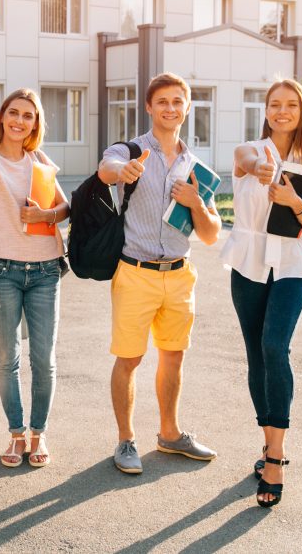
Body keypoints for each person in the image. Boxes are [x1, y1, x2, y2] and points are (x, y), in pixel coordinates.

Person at [96, 72, 222, 475]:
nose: (170, 108)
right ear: (149, 107)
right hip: (136, 272)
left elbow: (211, 233)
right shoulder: (131, 150)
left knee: (173, 357)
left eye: (177, 102)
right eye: (162, 101)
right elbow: (106, 166)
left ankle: (169, 434)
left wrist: (196, 203)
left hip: (180, 274)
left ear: (187, 108)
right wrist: (124, 171)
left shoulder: (196, 166)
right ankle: (125, 440)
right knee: (129, 359)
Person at [219, 78, 302, 508]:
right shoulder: (249, 149)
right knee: (256, 355)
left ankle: (277, 457)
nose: (282, 112)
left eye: (291, 106)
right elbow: (244, 161)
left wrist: (293, 201)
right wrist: (261, 168)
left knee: (275, 347)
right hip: (248, 262)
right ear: (266, 110)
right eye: (275, 105)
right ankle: (267, 443)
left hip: (291, 264)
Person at [0, 88, 70, 470]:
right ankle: (16, 433)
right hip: (2, 271)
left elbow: (66, 207)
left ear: (35, 123)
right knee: (6, 358)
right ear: (2, 117)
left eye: (27, 115)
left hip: (45, 270)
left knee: (43, 360)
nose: (19, 120)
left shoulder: (40, 160)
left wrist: (44, 216)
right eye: (13, 113)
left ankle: (38, 432)